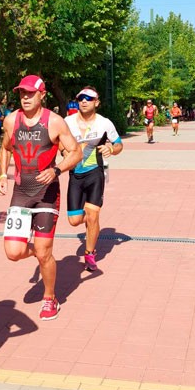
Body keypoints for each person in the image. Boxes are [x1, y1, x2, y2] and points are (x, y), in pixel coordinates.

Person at [0, 75, 82, 321]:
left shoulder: (55, 123)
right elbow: (5, 147)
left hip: (47, 194)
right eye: (22, 93)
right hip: (21, 193)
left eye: (30, 93)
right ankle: (38, 252)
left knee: (45, 253)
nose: (25, 97)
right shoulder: (12, 120)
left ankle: (49, 298)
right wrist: (3, 174)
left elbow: (75, 152)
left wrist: (56, 170)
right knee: (13, 252)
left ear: (42, 94)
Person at [64, 87, 123, 272]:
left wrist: (112, 150)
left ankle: (90, 253)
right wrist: (64, 152)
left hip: (95, 173)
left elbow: (119, 144)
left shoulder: (104, 123)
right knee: (74, 221)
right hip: (75, 175)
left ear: (96, 102)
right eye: (81, 97)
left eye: (89, 98)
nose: (84, 101)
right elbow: (58, 142)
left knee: (93, 215)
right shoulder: (67, 122)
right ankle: (92, 224)